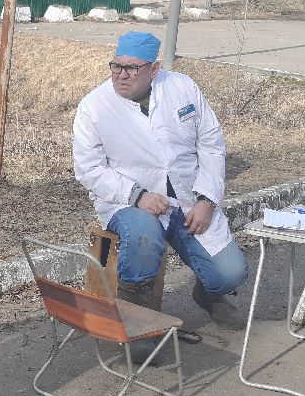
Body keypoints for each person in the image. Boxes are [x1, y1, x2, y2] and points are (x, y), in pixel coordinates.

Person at [73, 30, 251, 331]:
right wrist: (137, 195)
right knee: (144, 236)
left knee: (231, 273)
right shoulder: (94, 107)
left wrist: (207, 199)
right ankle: (138, 325)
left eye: (132, 68)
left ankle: (208, 295)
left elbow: (211, 144)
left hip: (186, 198)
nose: (121, 75)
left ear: (154, 69)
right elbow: (88, 169)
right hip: (128, 203)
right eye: (116, 66)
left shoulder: (182, 88)